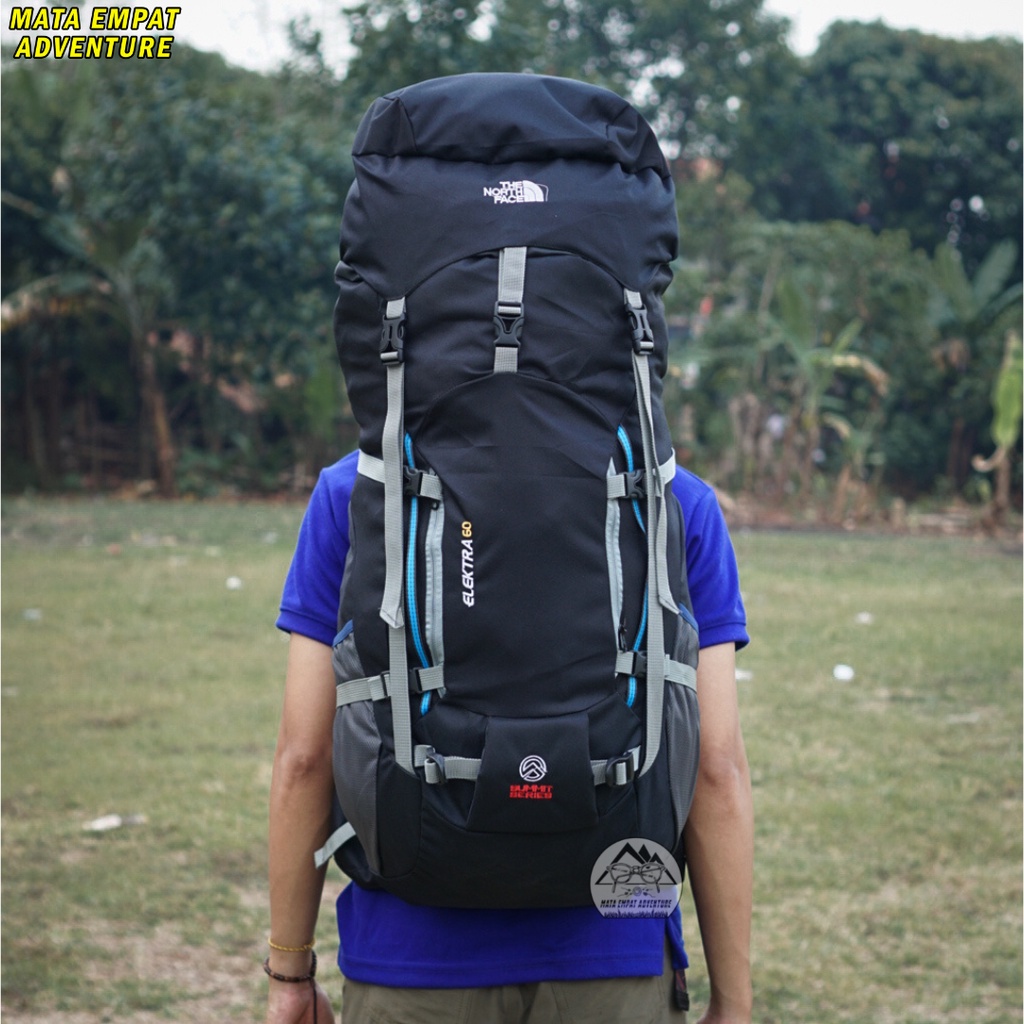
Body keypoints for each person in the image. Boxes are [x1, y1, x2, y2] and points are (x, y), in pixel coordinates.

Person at [265, 449, 753, 1024]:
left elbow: (305, 758)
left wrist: (290, 975)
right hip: (618, 951)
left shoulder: (357, 488)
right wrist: (732, 1003)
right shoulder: (670, 494)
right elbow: (717, 769)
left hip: (411, 960)